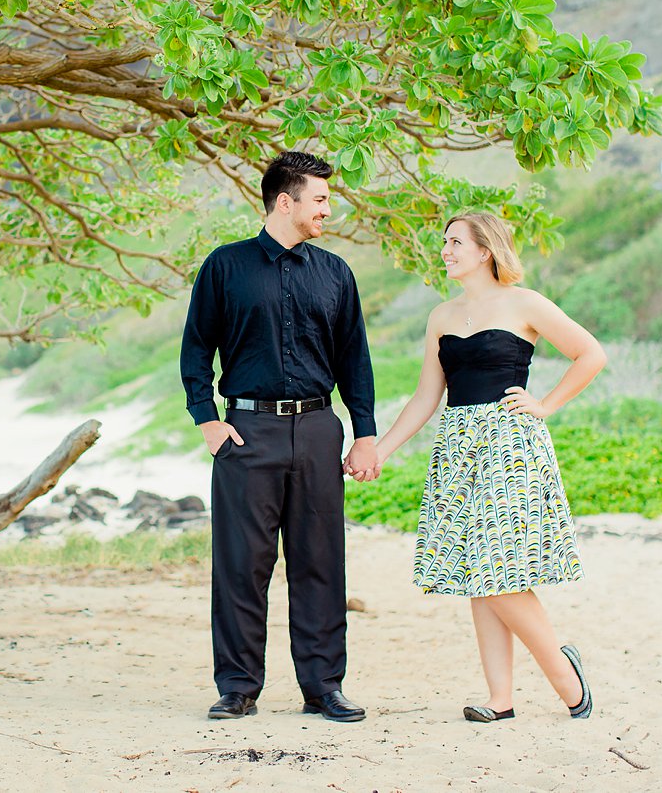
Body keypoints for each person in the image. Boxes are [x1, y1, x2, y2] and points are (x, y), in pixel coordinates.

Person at [344, 211, 605, 722]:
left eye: (455, 241)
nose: (446, 249)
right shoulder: (441, 317)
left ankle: (566, 678)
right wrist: (381, 449)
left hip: (510, 446)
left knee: (498, 573)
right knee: (476, 573)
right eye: (445, 241)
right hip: (458, 448)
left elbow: (590, 354)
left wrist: (546, 404)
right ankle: (500, 699)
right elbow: (426, 396)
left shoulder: (524, 303)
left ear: (485, 250)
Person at [180, 151, 377, 723]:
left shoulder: (336, 272)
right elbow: (196, 348)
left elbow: (354, 360)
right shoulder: (225, 267)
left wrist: (363, 434)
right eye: (319, 199)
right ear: (284, 201)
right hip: (247, 432)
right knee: (242, 565)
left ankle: (323, 687)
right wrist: (207, 420)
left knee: (321, 562)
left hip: (317, 430)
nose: (328, 209)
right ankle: (238, 687)